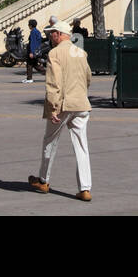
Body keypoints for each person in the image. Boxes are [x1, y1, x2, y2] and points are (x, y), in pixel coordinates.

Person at [28, 23, 93, 201]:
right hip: (81, 103)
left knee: (50, 141)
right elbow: (88, 78)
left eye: (51, 34)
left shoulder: (55, 53)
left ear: (58, 34)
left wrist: (53, 107)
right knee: (82, 146)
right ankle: (85, 188)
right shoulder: (81, 52)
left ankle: (43, 179)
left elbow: (54, 83)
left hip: (63, 104)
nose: (50, 37)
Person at [23, 18, 43, 83]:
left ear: (31, 25)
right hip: (36, 50)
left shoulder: (33, 32)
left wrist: (31, 52)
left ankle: (29, 78)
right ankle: (29, 78)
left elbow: (33, 43)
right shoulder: (37, 31)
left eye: (29, 25)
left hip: (32, 51)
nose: (28, 26)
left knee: (32, 64)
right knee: (32, 64)